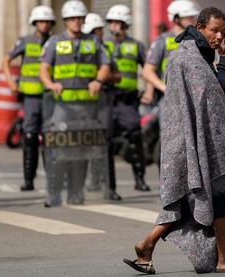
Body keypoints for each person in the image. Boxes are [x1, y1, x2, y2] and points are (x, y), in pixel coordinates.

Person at [123, 7, 225, 274]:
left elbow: (215, 98)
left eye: (223, 30)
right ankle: (224, 259)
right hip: (193, 142)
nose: (220, 36)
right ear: (199, 26)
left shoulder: (202, 54)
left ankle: (147, 245)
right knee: (212, 195)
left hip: (208, 141)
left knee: (201, 198)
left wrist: (222, 60)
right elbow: (213, 95)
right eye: (214, 30)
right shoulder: (186, 58)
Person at [39, 0, 111, 206]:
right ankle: (53, 194)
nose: (77, 22)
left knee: (82, 152)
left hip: (87, 107)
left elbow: (104, 65)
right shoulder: (54, 42)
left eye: (80, 18)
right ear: (65, 21)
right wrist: (50, 83)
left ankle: (76, 193)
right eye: (72, 19)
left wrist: (98, 80)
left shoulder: (94, 42)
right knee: (58, 151)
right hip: (61, 107)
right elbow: (43, 68)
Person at [2, 5, 55, 191]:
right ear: (35, 22)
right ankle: (28, 180)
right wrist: (10, 82)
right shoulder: (25, 41)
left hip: (50, 97)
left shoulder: (56, 42)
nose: (44, 25)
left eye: (47, 22)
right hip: (31, 97)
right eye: (41, 21)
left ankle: (52, 181)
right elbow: (6, 60)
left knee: (50, 138)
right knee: (30, 136)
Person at [103, 4, 150, 199]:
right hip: (107, 99)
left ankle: (139, 178)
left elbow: (148, 68)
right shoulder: (103, 44)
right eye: (112, 22)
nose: (114, 26)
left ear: (126, 24)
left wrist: (148, 90)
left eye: (118, 22)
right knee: (107, 142)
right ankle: (108, 186)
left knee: (134, 137)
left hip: (128, 100)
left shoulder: (136, 45)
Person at [82, 13, 122, 194]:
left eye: (99, 30)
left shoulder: (105, 50)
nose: (99, 34)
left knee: (105, 142)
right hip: (80, 102)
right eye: (96, 31)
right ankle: (83, 183)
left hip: (103, 100)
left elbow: (118, 75)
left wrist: (102, 77)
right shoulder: (80, 50)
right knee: (83, 142)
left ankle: (109, 187)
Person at [141, 0, 200, 113]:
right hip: (170, 100)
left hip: (194, 99)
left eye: (194, 16)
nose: (194, 20)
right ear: (176, 19)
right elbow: (147, 72)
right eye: (189, 17)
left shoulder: (198, 40)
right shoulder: (162, 40)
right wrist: (165, 88)